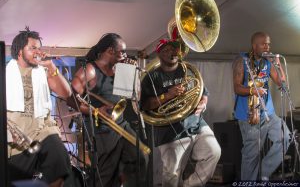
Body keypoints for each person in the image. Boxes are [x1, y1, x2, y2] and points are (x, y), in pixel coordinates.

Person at [70, 33, 148, 187]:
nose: (125, 55)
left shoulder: (121, 69)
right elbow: (70, 99)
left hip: (120, 124)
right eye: (122, 51)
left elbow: (135, 99)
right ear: (111, 51)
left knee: (141, 156)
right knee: (105, 174)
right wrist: (95, 111)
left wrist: (133, 74)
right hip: (101, 128)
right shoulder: (91, 70)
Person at [141, 38, 221, 187]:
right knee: (171, 174)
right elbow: (145, 105)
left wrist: (203, 104)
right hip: (169, 130)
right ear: (159, 55)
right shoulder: (152, 77)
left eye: (173, 49)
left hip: (195, 123)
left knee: (214, 152)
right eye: (166, 50)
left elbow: (203, 92)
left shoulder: (189, 70)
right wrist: (168, 96)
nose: (171, 52)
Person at [6, 27, 72, 186]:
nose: (38, 51)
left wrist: (51, 67)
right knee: (16, 180)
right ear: (20, 51)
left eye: (39, 48)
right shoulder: (5, 73)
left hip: (43, 130)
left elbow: (66, 93)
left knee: (59, 160)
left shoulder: (43, 71)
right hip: (17, 137)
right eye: (32, 48)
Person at [232, 31, 291, 180]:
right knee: (251, 155)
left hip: (268, 113)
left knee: (285, 137)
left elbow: (282, 84)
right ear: (254, 45)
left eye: (269, 44)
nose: (267, 46)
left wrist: (278, 65)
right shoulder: (242, 60)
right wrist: (253, 90)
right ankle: (248, 182)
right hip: (249, 115)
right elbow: (237, 88)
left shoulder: (267, 62)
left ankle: (263, 173)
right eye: (263, 43)